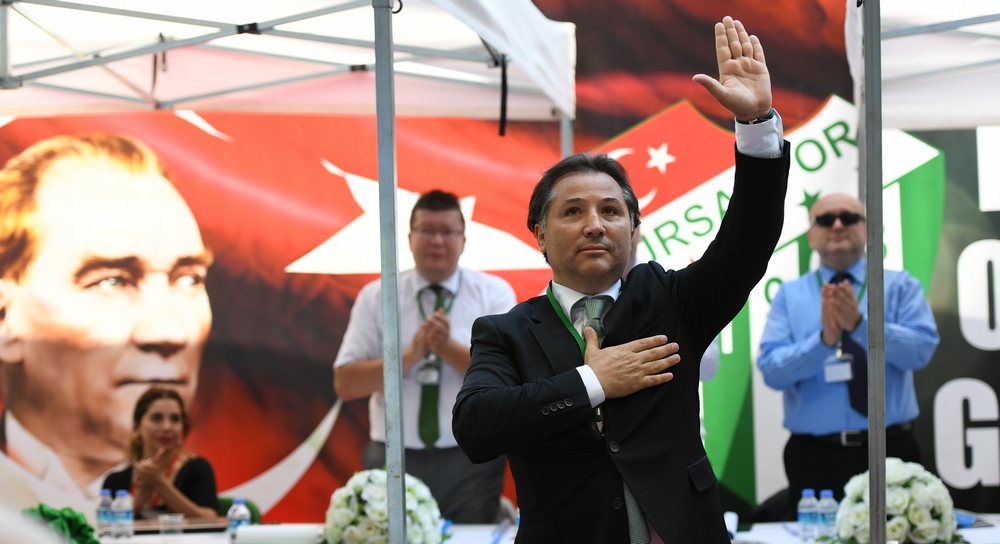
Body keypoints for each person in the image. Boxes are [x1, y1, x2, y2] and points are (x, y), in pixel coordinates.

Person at [453, 16, 789, 544]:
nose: (594, 224)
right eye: (573, 212)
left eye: (611, 210)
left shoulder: (672, 300)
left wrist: (755, 125)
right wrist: (592, 382)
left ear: (633, 230)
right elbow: (476, 427)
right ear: (539, 234)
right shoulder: (506, 332)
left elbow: (747, 244)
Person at [0, 134, 212, 513]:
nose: (170, 332)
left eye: (189, 279)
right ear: (5, 317)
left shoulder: (193, 472)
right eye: (112, 282)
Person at [333, 189, 517, 523]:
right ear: (409, 238)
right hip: (392, 456)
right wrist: (410, 356)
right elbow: (345, 384)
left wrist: (447, 348)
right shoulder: (378, 296)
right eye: (427, 230)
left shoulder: (493, 294)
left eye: (447, 231)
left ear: (463, 240)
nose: (437, 241)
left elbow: (509, 380)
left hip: (472, 460)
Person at [757, 193, 939, 508]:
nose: (838, 225)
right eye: (826, 220)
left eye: (849, 217)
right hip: (815, 457)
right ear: (811, 235)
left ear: (867, 229)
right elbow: (773, 373)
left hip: (891, 451)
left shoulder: (900, 286)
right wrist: (822, 342)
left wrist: (861, 327)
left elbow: (921, 351)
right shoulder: (789, 295)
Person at [102, 388, 218, 519]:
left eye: (175, 419)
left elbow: (211, 519)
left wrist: (160, 484)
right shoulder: (116, 481)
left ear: (183, 427)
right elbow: (107, 528)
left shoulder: (197, 469)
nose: (167, 427)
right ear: (137, 426)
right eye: (156, 418)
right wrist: (136, 505)